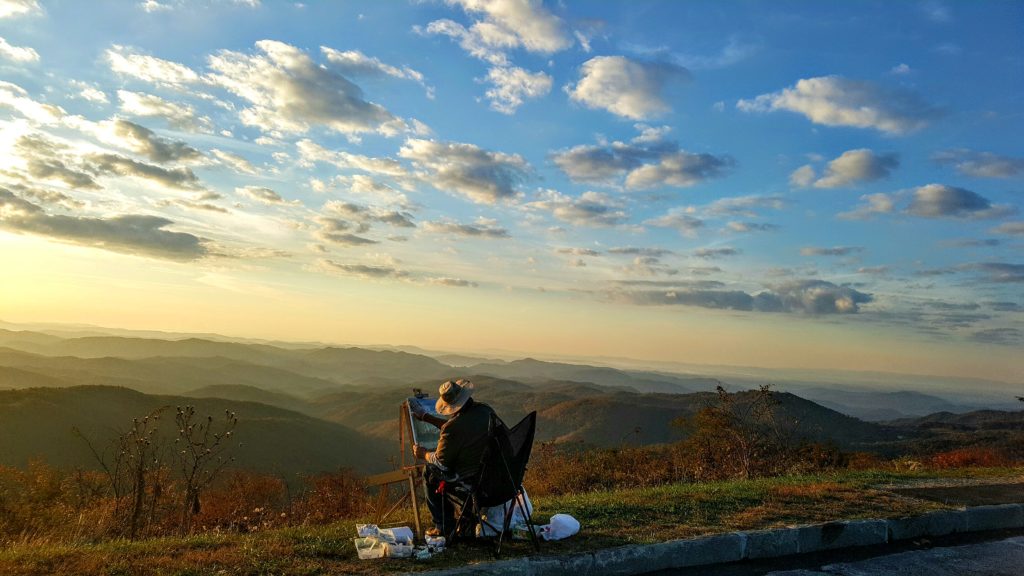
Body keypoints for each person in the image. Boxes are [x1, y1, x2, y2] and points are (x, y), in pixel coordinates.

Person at [410, 378, 497, 538]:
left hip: (471, 481)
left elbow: (440, 463)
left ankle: (443, 526)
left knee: (429, 470)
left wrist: (423, 454)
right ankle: (465, 522)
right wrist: (426, 417)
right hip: (496, 479)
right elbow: (455, 428)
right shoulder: (485, 411)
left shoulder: (454, 427)